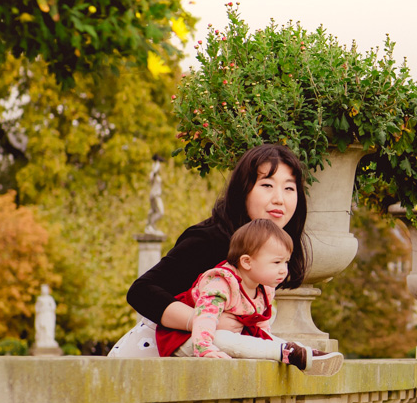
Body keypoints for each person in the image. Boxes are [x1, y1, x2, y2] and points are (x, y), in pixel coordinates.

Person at [112, 143, 320, 359]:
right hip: (150, 357)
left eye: (289, 188)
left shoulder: (275, 249)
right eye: (267, 185)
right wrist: (202, 318)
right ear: (243, 190)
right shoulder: (210, 240)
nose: (279, 198)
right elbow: (141, 291)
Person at [159, 217, 342, 375]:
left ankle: (302, 352)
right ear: (247, 262)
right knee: (223, 338)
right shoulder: (221, 283)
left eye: (286, 262)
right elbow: (205, 318)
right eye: (276, 262)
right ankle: (285, 353)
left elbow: (260, 325)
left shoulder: (263, 288)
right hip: (187, 338)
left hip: (221, 336)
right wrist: (204, 348)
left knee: (265, 340)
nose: (283, 270)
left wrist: (267, 339)